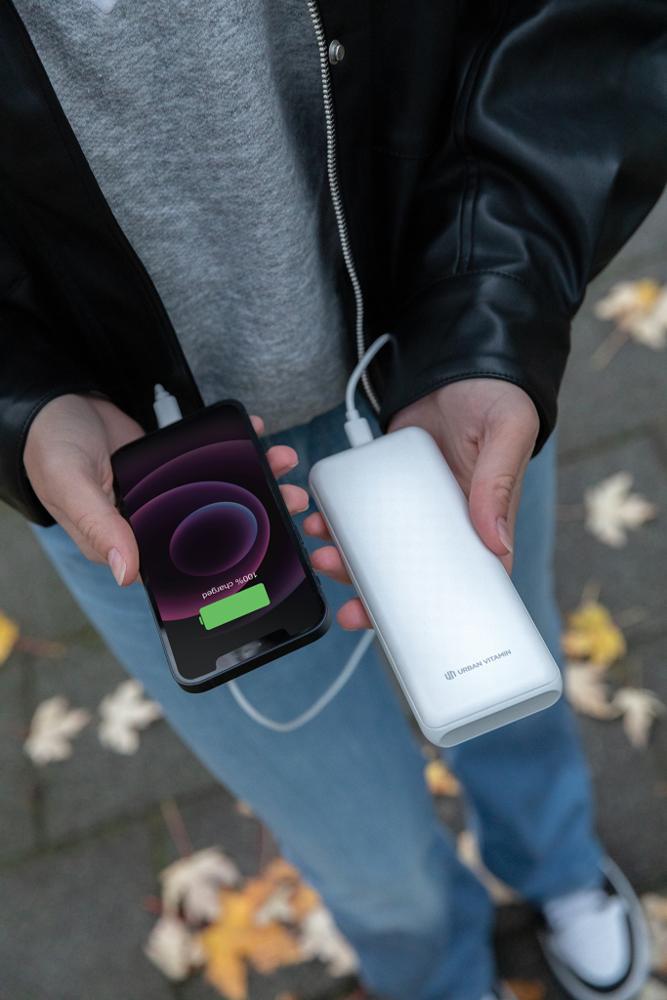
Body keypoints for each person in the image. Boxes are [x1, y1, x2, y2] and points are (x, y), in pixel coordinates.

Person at [1, 2, 665, 998]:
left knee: (504, 676)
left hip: (435, 347)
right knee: (364, 846)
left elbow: (578, 34)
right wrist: (21, 404)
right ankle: (437, 977)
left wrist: (488, 312)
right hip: (137, 460)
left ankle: (556, 863)